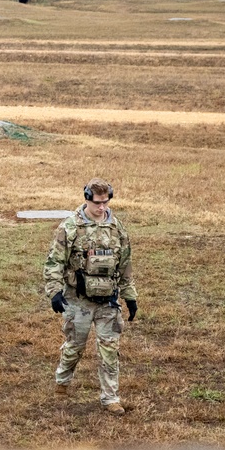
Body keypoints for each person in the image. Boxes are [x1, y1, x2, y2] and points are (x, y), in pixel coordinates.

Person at [43, 178, 139, 416]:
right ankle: (62, 383)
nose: (102, 207)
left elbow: (125, 265)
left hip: (108, 301)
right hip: (78, 301)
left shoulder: (118, 229)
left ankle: (111, 398)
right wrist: (55, 292)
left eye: (106, 202)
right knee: (74, 347)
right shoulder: (70, 228)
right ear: (87, 199)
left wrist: (129, 296)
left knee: (109, 349)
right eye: (97, 203)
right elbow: (55, 262)